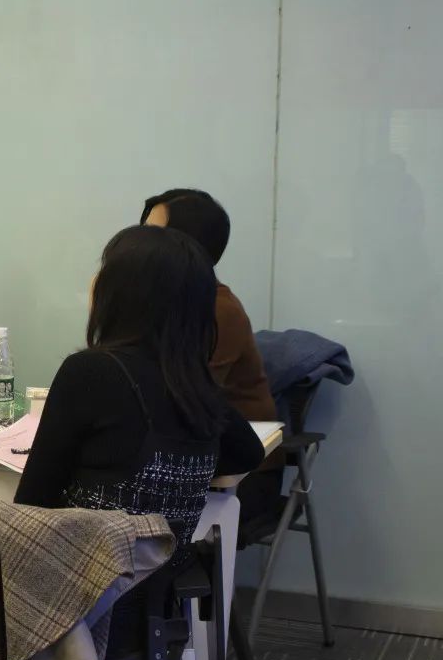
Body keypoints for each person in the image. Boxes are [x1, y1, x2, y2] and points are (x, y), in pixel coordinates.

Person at [14, 225, 264, 556]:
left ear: (124, 293)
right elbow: (249, 453)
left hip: (82, 576)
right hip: (162, 579)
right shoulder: (194, 383)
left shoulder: (90, 372)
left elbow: (32, 504)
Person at [140, 189, 281, 529]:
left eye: (152, 235)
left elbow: (180, 404)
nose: (138, 246)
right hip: (170, 460)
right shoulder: (154, 305)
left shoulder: (219, 310)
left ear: (188, 247)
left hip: (235, 473)